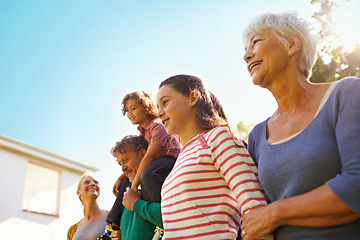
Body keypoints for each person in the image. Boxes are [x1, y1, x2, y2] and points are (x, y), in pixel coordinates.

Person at [241, 11, 360, 240]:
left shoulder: (346, 94)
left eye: (255, 42)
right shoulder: (257, 135)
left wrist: (276, 213)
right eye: (245, 50)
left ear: (292, 43)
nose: (247, 55)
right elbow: (254, 215)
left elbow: (356, 186)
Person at [156, 74, 273, 240]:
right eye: (158, 107)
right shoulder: (181, 158)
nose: (160, 113)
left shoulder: (218, 137)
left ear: (193, 98)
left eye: (165, 102)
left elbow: (255, 205)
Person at [106, 91, 180, 228]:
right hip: (156, 161)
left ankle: (156, 216)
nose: (129, 114)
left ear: (146, 107)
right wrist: (122, 177)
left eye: (133, 108)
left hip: (169, 158)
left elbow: (148, 157)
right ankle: (113, 222)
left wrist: (133, 187)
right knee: (125, 183)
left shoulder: (157, 125)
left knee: (148, 175)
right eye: (127, 110)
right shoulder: (142, 131)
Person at [108, 135, 167, 240]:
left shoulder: (164, 179)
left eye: (125, 160)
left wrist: (136, 204)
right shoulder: (127, 193)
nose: (123, 168)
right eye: (119, 164)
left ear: (143, 153)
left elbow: (173, 217)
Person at [67, 175, 109, 240]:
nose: (92, 184)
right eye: (87, 182)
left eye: (96, 182)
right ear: (79, 193)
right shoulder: (72, 230)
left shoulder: (111, 217)